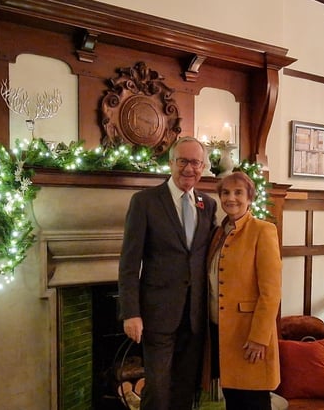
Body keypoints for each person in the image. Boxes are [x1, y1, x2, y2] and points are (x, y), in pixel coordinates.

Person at [118, 136, 217, 410]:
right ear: (170, 163)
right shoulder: (145, 202)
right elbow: (129, 263)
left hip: (195, 314)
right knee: (158, 390)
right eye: (183, 161)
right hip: (157, 315)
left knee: (185, 388)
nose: (189, 168)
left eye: (196, 162)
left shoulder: (207, 205)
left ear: (203, 166)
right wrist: (131, 312)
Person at [204, 171, 282, 410]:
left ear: (250, 198)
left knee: (253, 401)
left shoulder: (262, 230)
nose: (231, 198)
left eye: (239, 192)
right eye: (226, 192)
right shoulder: (218, 232)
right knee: (233, 400)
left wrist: (259, 338)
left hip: (249, 335)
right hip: (222, 333)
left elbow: (271, 292)